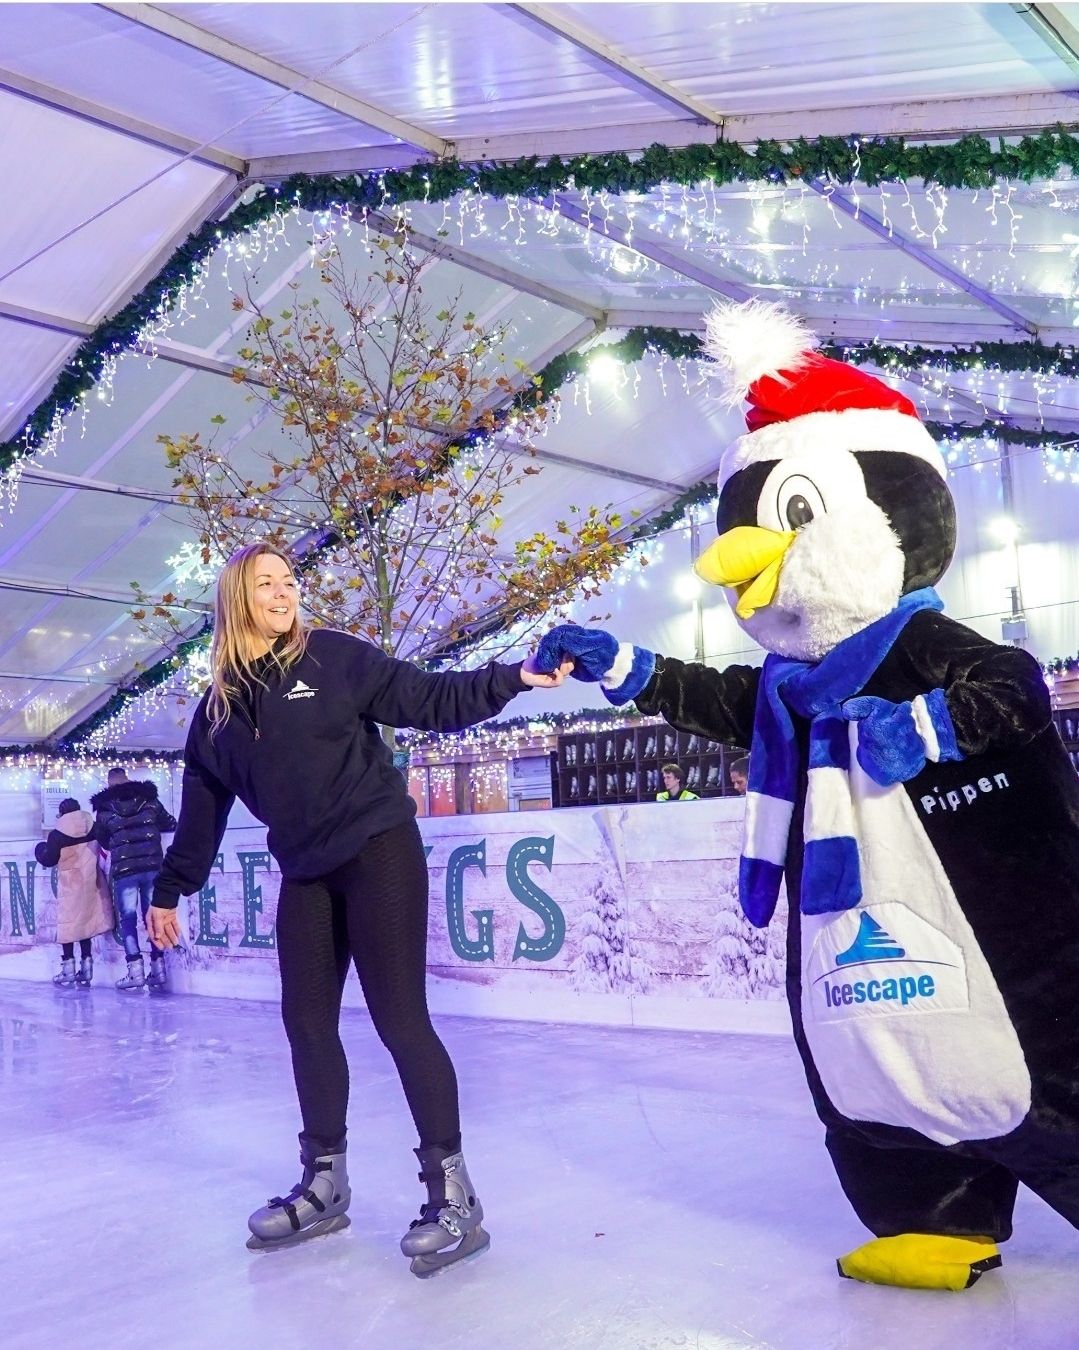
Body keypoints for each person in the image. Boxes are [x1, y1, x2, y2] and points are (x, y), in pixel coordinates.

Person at [145, 542, 571, 1274]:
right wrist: (170, 888)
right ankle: (324, 1184)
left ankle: (453, 1196)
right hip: (306, 869)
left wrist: (513, 678)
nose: (283, 594)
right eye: (266, 584)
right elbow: (202, 811)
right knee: (305, 1024)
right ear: (234, 599)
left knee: (399, 1020)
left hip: (377, 849)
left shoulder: (334, 658)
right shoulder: (215, 710)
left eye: (289, 582)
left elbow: (428, 699)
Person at [91, 767, 177, 992]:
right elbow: (170, 823)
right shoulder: (149, 799)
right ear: (128, 780)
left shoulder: (104, 809)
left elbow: (103, 840)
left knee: (128, 920)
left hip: (125, 871)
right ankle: (158, 969)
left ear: (109, 785)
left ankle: (135, 971)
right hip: (153, 867)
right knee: (153, 918)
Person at [35, 798, 113, 988]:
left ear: (61, 813)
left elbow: (49, 859)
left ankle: (68, 968)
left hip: (71, 884)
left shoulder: (57, 835)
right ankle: (86, 967)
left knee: (69, 925)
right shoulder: (93, 828)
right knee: (84, 923)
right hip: (92, 880)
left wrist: (39, 850)